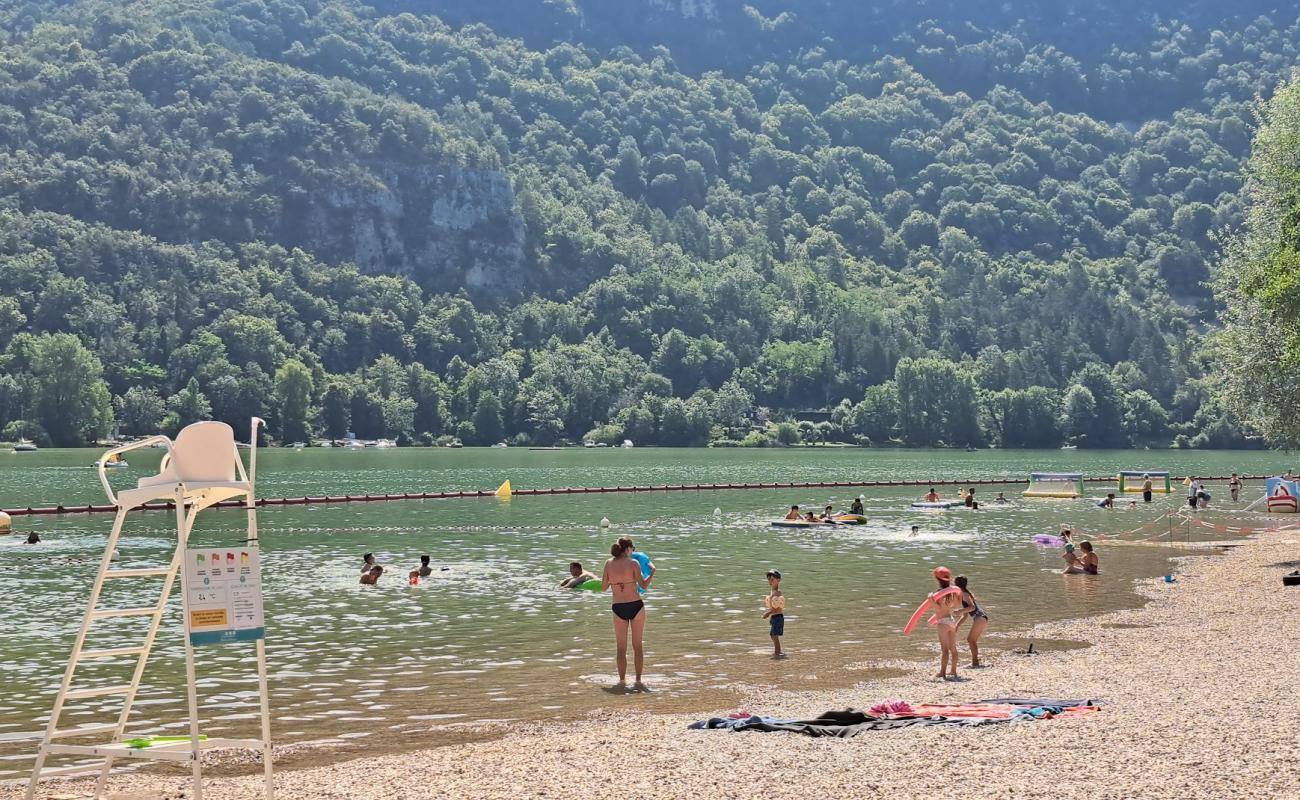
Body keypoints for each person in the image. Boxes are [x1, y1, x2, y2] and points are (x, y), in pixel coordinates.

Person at [602, 539, 654, 691]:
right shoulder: (633, 563)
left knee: (621, 648)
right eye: (633, 548)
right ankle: (638, 680)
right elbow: (643, 585)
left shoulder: (608, 563)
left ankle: (622, 681)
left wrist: (616, 582)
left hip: (618, 607)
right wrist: (652, 573)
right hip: (636, 606)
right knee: (637, 646)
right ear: (628, 549)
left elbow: (604, 588)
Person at [929, 567, 965, 681]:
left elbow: (939, 610)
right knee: (953, 648)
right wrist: (958, 595)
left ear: (936, 579)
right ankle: (953, 670)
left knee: (944, 649)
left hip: (943, 622)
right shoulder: (952, 593)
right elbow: (957, 604)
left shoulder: (938, 593)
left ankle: (942, 673)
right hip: (951, 621)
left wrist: (931, 601)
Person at [955, 575, 988, 668]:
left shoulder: (964, 594)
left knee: (971, 640)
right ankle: (975, 662)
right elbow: (965, 615)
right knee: (972, 640)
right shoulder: (964, 594)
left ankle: (975, 663)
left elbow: (972, 607)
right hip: (981, 617)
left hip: (980, 617)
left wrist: (959, 611)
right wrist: (957, 625)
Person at [762, 569, 785, 658]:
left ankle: (777, 652)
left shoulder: (778, 593)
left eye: (772, 579)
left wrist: (768, 613)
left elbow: (778, 608)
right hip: (775, 617)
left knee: (774, 635)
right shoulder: (773, 592)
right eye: (769, 579)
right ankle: (778, 651)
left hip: (778, 617)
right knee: (773, 635)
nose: (770, 581)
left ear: (778, 580)